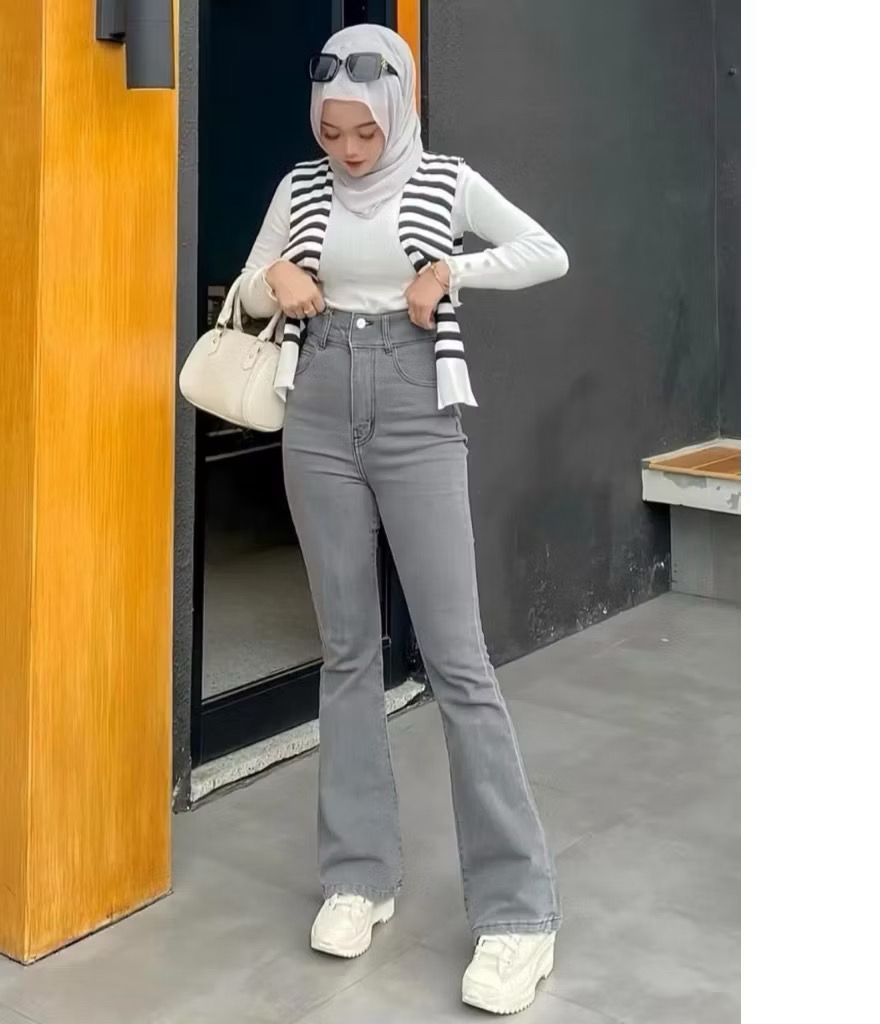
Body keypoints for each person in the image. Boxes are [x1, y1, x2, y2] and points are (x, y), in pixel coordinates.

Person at [236, 22, 569, 1017]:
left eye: (364, 133)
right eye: (331, 131)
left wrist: (452, 273)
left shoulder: (444, 180)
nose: (346, 150)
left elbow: (545, 252)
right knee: (346, 649)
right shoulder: (299, 190)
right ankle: (358, 874)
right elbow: (252, 285)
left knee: (458, 661)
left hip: (418, 403)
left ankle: (520, 916)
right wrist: (271, 281)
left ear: (398, 109)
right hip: (318, 403)